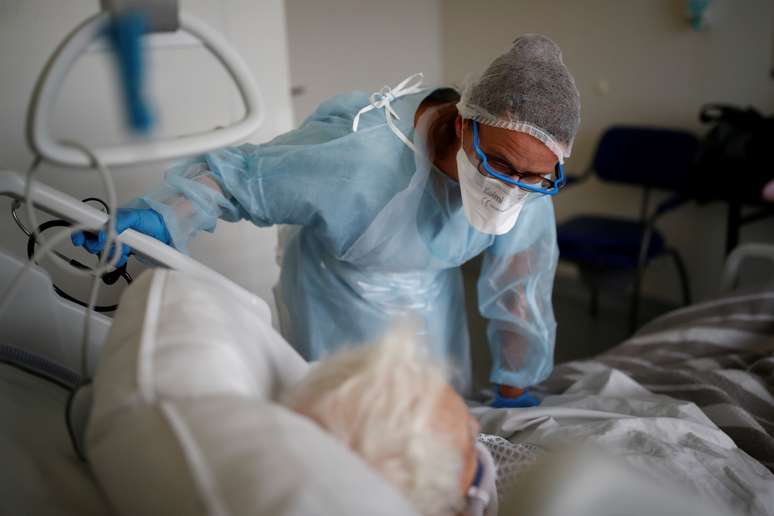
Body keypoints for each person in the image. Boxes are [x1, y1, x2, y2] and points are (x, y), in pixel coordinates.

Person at [73, 34, 581, 404]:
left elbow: (520, 281)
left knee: (431, 420)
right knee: (339, 422)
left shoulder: (529, 182)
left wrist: (516, 382)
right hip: (334, 297)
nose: (510, 187)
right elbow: (238, 179)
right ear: (464, 125)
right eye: (501, 165)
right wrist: (164, 215)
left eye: (534, 176)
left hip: (432, 307)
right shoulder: (365, 163)